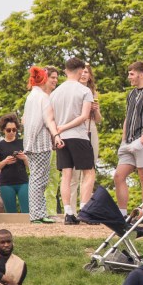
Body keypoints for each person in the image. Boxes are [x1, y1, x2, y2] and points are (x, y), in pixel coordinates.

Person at [50, 57, 95, 224]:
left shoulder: (55, 93)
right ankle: (84, 210)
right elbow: (84, 116)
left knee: (66, 175)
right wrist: (65, 127)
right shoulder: (84, 91)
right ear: (80, 71)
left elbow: (51, 118)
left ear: (65, 71)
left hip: (61, 138)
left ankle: (68, 212)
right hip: (78, 135)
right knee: (88, 172)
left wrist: (58, 131)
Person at [114, 61, 143, 213]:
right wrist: (123, 140)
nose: (129, 77)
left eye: (131, 74)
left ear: (141, 74)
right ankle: (122, 213)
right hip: (128, 142)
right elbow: (127, 119)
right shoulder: (131, 94)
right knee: (118, 176)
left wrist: (141, 141)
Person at [22, 65, 63, 223]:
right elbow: (48, 120)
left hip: (31, 143)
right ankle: (37, 214)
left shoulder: (31, 96)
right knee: (40, 179)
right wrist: (56, 135)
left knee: (36, 179)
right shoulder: (43, 98)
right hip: (41, 143)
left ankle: (38, 213)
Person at [67, 63, 102, 215]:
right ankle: (72, 211)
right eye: (82, 72)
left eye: (87, 72)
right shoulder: (72, 91)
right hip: (76, 131)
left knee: (89, 171)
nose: (84, 74)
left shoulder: (93, 92)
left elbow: (99, 119)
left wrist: (95, 110)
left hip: (91, 129)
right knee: (74, 174)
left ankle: (85, 209)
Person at [0, 113, 30, 213]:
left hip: (23, 182)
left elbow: (31, 167)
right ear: (3, 130)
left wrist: (24, 158)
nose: (12, 132)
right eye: (9, 130)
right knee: (10, 214)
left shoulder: (23, 143)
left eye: (14, 129)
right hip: (6, 184)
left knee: (27, 212)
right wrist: (5, 162)